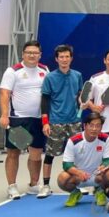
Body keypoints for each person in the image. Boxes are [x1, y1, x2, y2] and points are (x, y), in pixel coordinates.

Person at [0, 40, 49, 199]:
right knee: (14, 153)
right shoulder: (13, 71)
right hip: (17, 118)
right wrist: (4, 115)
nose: (32, 55)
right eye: (29, 52)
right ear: (23, 54)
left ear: (40, 55)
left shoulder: (45, 70)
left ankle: (33, 185)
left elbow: (47, 94)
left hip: (38, 119)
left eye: (35, 53)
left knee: (36, 154)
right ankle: (12, 186)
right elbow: (4, 93)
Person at [39, 44, 84, 198]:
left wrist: (81, 108)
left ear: (71, 58)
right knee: (50, 154)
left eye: (67, 56)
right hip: (55, 122)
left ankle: (79, 183)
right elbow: (45, 100)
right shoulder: (50, 77)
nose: (64, 59)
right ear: (57, 59)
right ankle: (45, 185)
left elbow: (79, 97)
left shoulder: (77, 75)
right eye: (61, 57)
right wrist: (45, 122)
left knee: (78, 155)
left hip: (74, 122)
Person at [58, 112, 109, 207]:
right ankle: (75, 193)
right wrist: (78, 172)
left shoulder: (106, 138)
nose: (94, 129)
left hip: (98, 175)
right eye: (91, 125)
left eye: (97, 126)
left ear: (101, 127)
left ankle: (100, 191)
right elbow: (66, 164)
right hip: (78, 177)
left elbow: (108, 160)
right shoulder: (73, 140)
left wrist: (103, 166)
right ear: (85, 126)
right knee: (62, 178)